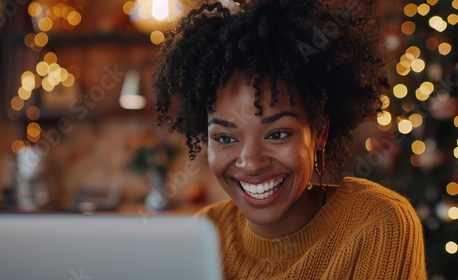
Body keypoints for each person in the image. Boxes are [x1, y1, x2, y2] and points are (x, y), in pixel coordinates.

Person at [152, 0, 427, 278]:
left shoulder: (376, 224)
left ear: (319, 132)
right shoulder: (206, 235)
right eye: (225, 138)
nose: (251, 163)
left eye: (277, 134)